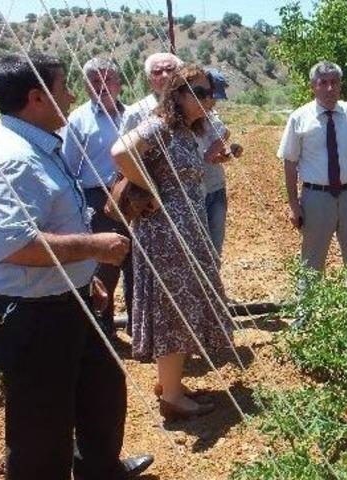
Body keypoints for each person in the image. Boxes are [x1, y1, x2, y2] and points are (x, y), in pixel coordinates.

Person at [0, 53, 152, 480]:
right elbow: (9, 244)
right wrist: (93, 246)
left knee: (101, 389)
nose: (73, 96)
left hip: (70, 297)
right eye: (65, 86)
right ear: (37, 97)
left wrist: (86, 278)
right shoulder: (13, 158)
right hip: (33, 313)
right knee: (42, 425)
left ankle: (100, 470)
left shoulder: (40, 143)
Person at [111, 64, 232, 420]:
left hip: (182, 230)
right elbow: (120, 152)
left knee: (178, 306)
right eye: (199, 91)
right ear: (177, 94)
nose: (208, 98)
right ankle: (173, 399)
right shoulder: (161, 124)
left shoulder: (184, 130)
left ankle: (171, 384)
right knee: (173, 309)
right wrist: (149, 186)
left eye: (209, 92)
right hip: (167, 234)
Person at [278, 60, 347, 274]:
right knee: (311, 262)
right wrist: (294, 205)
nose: (330, 88)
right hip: (316, 198)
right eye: (323, 82)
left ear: (340, 85)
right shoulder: (299, 118)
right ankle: (305, 307)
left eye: (334, 82)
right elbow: (289, 162)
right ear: (313, 86)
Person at [62, 57, 133, 338]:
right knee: (105, 264)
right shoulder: (77, 119)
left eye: (109, 78)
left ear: (120, 83)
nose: (102, 84)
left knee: (138, 264)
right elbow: (69, 167)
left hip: (136, 197)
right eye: (94, 79)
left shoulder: (132, 115)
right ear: (86, 85)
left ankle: (138, 327)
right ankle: (103, 330)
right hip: (98, 198)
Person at [196, 69, 243, 261]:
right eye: (210, 97)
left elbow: (215, 153)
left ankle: (211, 287)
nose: (213, 102)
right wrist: (214, 151)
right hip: (195, 192)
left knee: (214, 248)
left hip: (215, 187)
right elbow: (207, 154)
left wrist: (226, 153)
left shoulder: (212, 117)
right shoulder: (183, 120)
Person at [122, 52, 183, 134]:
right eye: (157, 72)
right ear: (149, 80)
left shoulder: (198, 101)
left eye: (170, 69)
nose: (165, 75)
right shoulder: (135, 114)